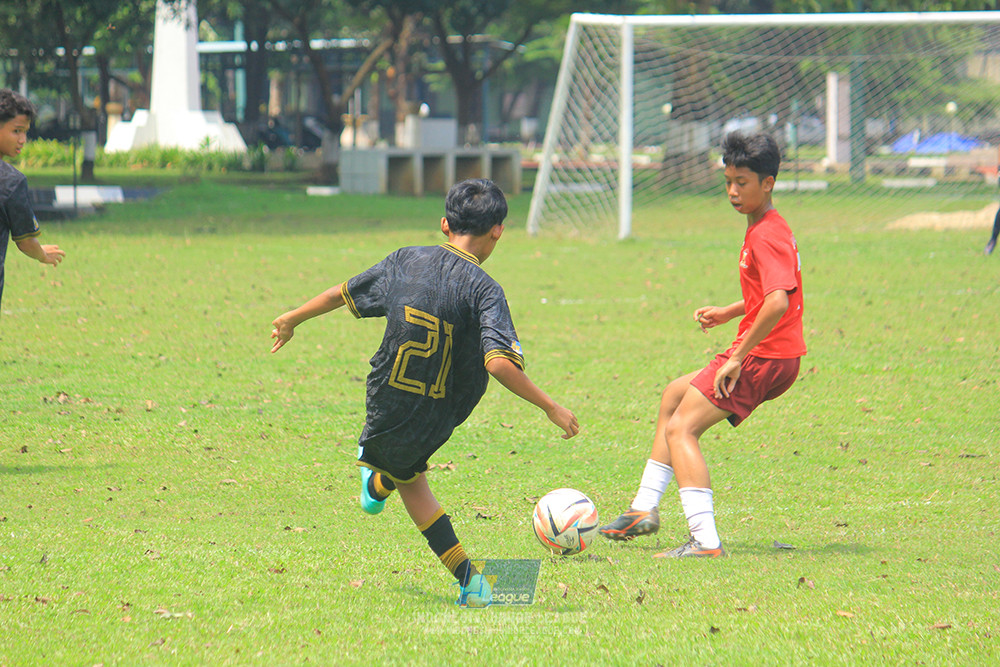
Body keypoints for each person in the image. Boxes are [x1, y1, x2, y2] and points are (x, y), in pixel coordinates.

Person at [270, 178, 579, 605]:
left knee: (403, 469)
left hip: (388, 397)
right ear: (498, 231)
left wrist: (292, 318)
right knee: (412, 481)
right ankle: (472, 582)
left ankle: (377, 485)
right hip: (442, 410)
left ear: (444, 224)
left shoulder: (405, 260)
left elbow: (341, 293)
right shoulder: (486, 289)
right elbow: (498, 363)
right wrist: (550, 406)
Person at [598, 131, 805, 558]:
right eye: (728, 181)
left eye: (742, 182)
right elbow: (774, 292)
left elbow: (779, 302)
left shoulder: (766, 234)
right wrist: (731, 311)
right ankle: (643, 509)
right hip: (772, 354)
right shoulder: (767, 227)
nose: (732, 191)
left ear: (768, 183)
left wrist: (737, 357)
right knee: (674, 395)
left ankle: (705, 542)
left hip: (763, 357)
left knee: (682, 429)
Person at [0, 89, 65, 311]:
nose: (22, 140)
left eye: (25, 132)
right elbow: (26, 241)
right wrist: (42, 254)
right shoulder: (10, 182)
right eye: (16, 131)